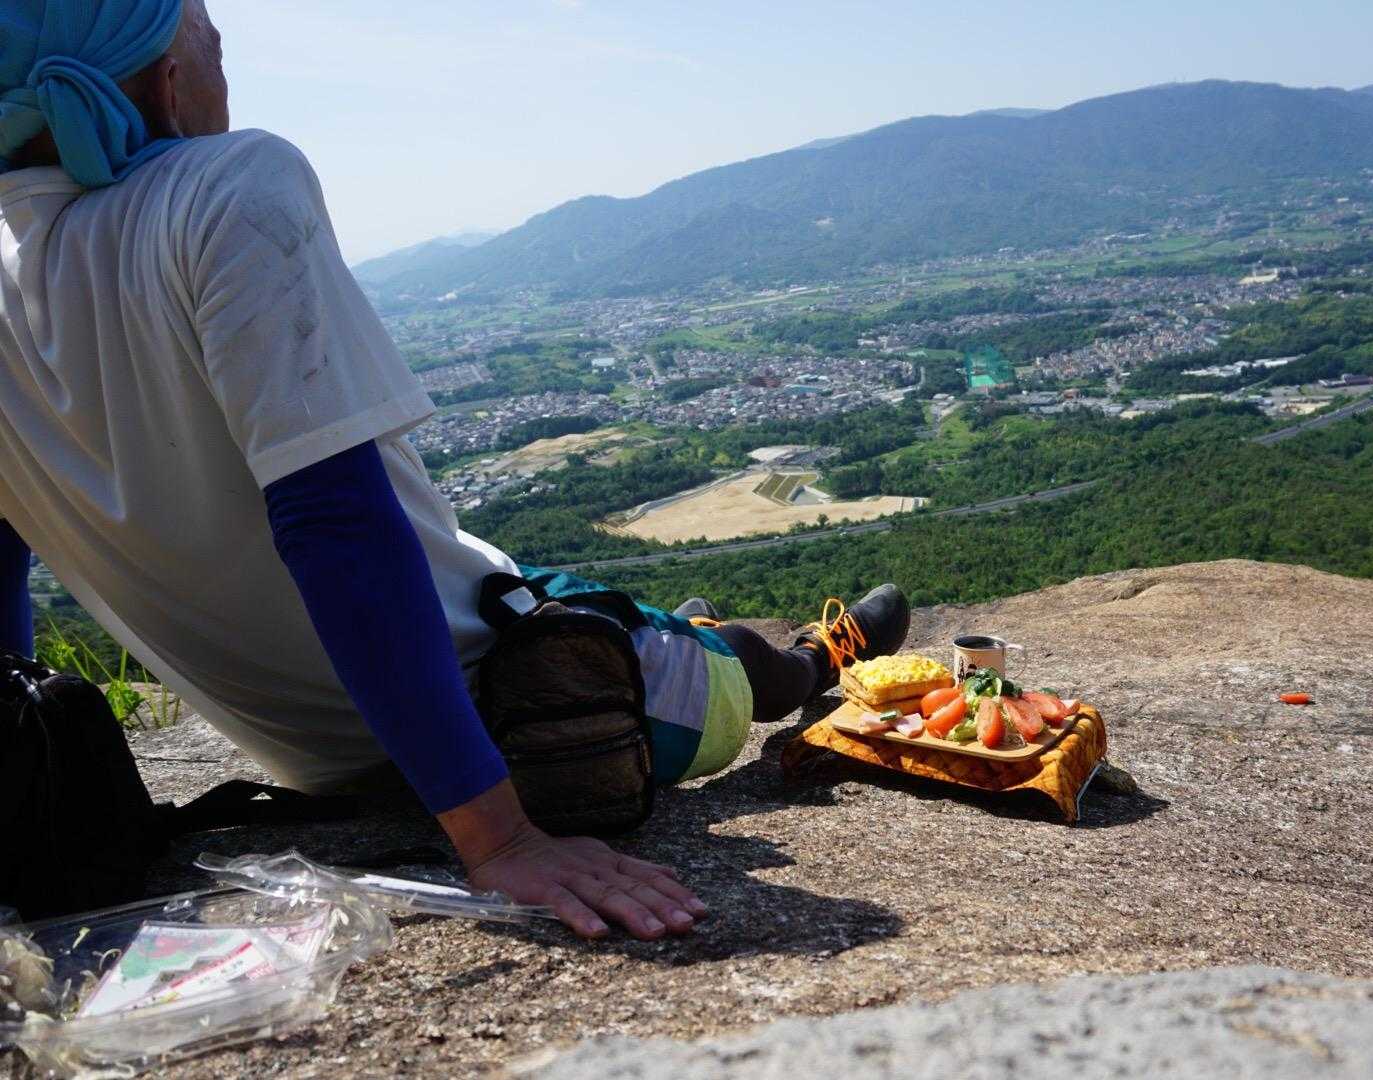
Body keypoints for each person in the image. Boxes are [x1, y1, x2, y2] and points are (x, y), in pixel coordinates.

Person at [0, 0, 911, 941]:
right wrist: (500, 839)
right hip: (506, 707)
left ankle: (679, 629)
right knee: (735, 668)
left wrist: (24, 784)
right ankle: (810, 661)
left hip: (324, 754)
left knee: (572, 597)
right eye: (212, 41)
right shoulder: (225, 188)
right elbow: (337, 529)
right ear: (164, 82)